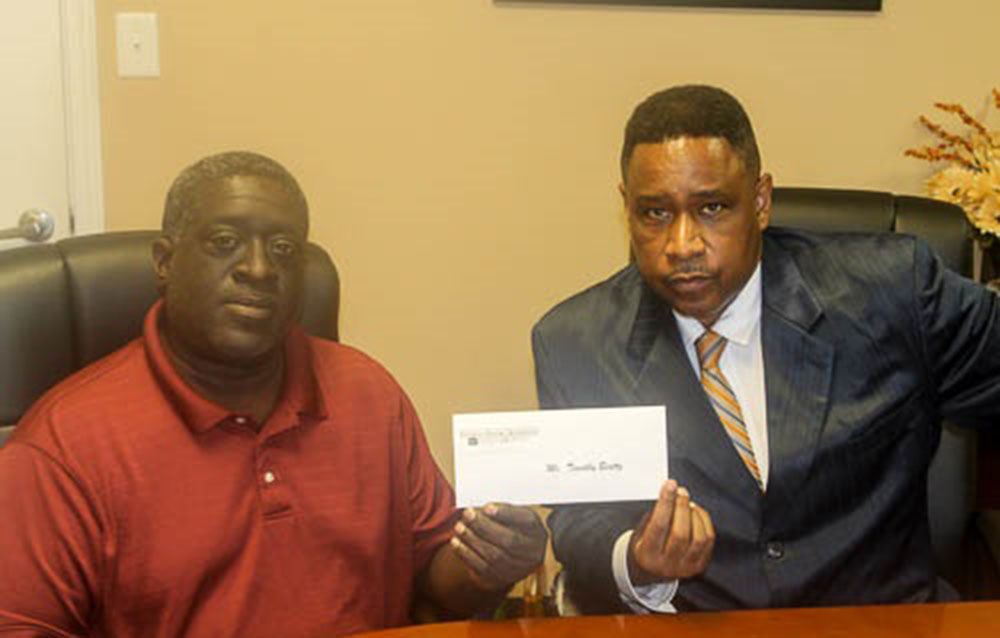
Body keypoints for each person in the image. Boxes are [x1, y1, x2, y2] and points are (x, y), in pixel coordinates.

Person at [0, 151, 547, 637]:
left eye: (283, 249)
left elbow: (434, 585)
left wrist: (485, 562)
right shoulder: (65, 443)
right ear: (165, 262)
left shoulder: (368, 394)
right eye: (224, 243)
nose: (259, 269)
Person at [531, 85, 1000, 613]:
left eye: (711, 208)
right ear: (626, 208)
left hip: (882, 624)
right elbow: (580, 522)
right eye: (655, 214)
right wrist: (637, 559)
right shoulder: (576, 342)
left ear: (760, 202)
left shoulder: (893, 291)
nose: (682, 245)